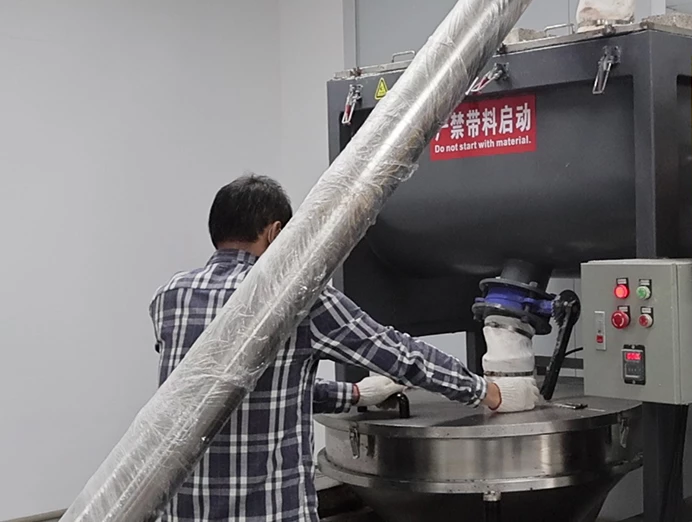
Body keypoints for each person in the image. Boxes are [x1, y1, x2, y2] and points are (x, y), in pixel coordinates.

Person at [151, 174, 540, 522]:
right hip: (271, 511)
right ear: (275, 232)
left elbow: (241, 388)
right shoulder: (295, 297)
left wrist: (355, 394)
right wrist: (487, 392)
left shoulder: (170, 297)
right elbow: (398, 354)